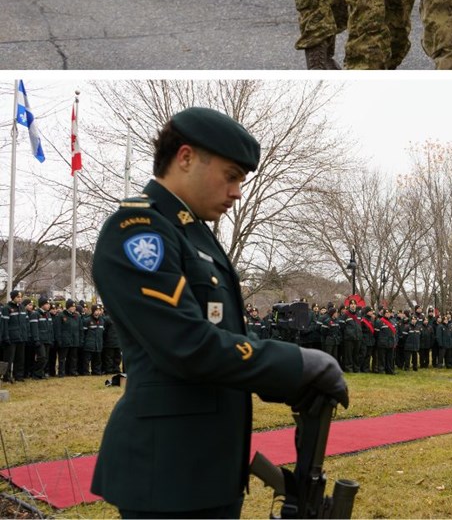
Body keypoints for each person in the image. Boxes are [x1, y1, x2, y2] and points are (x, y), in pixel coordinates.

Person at [88, 107, 346, 517]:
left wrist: (286, 381)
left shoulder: (192, 232)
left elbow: (227, 334)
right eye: (231, 176)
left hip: (206, 469)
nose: (237, 191)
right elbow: (188, 345)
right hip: (168, 476)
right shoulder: (139, 230)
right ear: (185, 157)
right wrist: (294, 363)